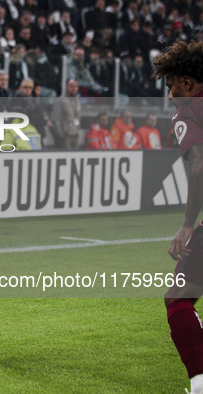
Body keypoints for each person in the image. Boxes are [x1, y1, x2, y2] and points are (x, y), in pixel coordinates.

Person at [151, 39, 203, 394]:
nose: (170, 95)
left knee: (178, 297)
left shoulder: (188, 110)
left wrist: (187, 224)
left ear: (187, 83)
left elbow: (199, 164)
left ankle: (200, 382)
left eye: (171, 86)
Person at [51, 79, 81, 150]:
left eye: (75, 86)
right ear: (66, 87)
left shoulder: (77, 101)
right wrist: (61, 135)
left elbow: (78, 117)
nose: (73, 89)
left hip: (75, 134)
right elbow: (55, 119)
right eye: (71, 86)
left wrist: (77, 131)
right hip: (65, 136)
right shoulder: (61, 101)